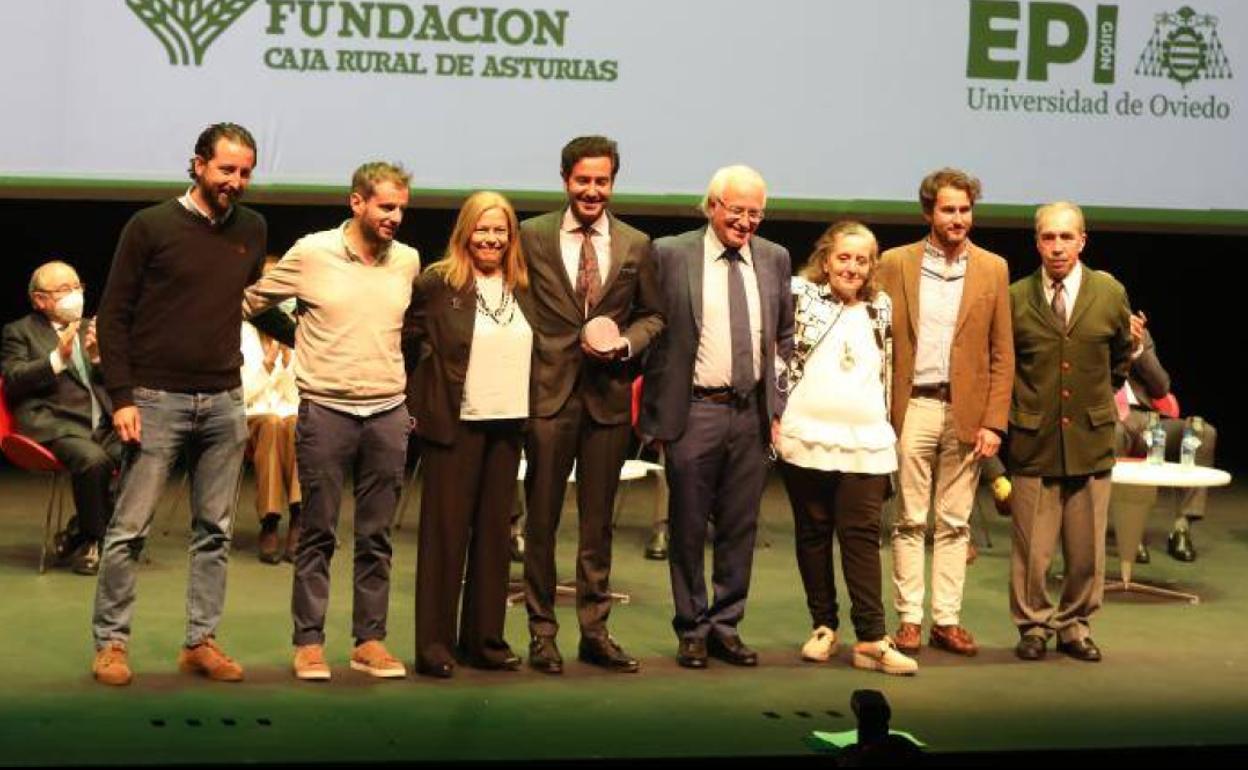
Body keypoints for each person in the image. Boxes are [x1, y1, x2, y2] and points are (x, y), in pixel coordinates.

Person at [92, 122, 288, 687]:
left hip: (225, 398)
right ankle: (111, 644)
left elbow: (247, 306)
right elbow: (115, 315)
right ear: (198, 164)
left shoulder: (252, 228)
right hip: (155, 399)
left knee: (215, 530)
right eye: (227, 169)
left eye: (246, 172)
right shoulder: (150, 226)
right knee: (129, 528)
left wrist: (315, 335)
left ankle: (199, 641)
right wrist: (122, 398)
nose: (236, 181)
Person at [242, 162, 420, 681]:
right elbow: (253, 303)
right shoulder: (313, 251)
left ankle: (369, 641)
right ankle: (310, 642)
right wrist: (301, 338)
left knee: (377, 535)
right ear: (357, 203)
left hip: (388, 411)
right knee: (317, 531)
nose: (395, 218)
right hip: (327, 410)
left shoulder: (407, 260)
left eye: (402, 209)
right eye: (386, 206)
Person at [519, 136, 664, 674]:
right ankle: (541, 632)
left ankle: (595, 631)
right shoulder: (531, 235)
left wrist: (626, 344)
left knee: (598, 523)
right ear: (565, 180)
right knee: (542, 520)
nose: (592, 191)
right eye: (583, 180)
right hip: (549, 395)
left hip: (606, 399)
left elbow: (654, 316)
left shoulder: (635, 243)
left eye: (602, 181)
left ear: (612, 184)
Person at [640, 165, 794, 669]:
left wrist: (777, 402)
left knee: (739, 526)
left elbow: (786, 336)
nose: (746, 222)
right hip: (695, 411)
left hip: (750, 413)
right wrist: (659, 410)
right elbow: (651, 329)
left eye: (755, 213)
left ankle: (726, 625)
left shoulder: (774, 259)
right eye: (737, 210)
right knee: (685, 526)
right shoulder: (670, 254)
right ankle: (692, 627)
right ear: (712, 207)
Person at [876, 168, 1013, 658]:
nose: (958, 219)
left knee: (956, 521)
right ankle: (909, 619)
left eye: (964, 210)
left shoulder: (993, 268)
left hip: (966, 409)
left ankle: (946, 620)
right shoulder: (895, 263)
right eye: (948, 209)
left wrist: (995, 421)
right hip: (912, 404)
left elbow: (1002, 352)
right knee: (910, 518)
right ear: (928, 213)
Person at [774, 222, 916, 676]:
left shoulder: (880, 306)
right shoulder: (798, 294)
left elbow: (887, 367)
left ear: (872, 266)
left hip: (866, 440)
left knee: (860, 536)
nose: (852, 268)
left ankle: (872, 639)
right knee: (814, 532)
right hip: (806, 434)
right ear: (825, 258)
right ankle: (823, 626)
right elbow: (776, 353)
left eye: (862, 260)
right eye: (844, 258)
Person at [405, 191, 535, 678]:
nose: (491, 238)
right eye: (482, 228)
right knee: (445, 539)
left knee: (495, 540)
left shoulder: (524, 284)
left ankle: (484, 640)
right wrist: (423, 403)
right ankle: (435, 645)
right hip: (455, 425)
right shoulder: (439, 283)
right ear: (465, 232)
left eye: (500, 230)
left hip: (508, 425)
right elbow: (408, 343)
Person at [1008, 201, 1132, 663]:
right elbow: (1006, 365)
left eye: (1066, 237)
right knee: (1031, 551)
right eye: (1048, 237)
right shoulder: (1017, 296)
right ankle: (1034, 625)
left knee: (1085, 549)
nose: (1057, 247)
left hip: (1090, 437)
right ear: (1037, 242)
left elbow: (1120, 356)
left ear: (1082, 241)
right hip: (1033, 437)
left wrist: (1099, 400)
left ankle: (1074, 625)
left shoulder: (1108, 291)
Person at [2, 261, 121, 576]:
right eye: (64, 290)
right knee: (94, 461)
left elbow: (117, 381)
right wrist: (57, 359)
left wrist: (97, 358)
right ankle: (92, 541)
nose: (75, 296)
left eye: (78, 288)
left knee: (146, 454)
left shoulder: (91, 328)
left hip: (102, 424)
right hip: (57, 424)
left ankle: (79, 529)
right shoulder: (20, 332)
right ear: (40, 300)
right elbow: (13, 379)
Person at [1115, 316, 1217, 563]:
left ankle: (1181, 528)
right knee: (1112, 436)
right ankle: (1128, 532)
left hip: (1147, 420)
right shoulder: (1084, 334)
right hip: (1109, 420)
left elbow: (1161, 387)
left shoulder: (1140, 335)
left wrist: (1138, 349)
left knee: (1201, 432)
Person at [239, 256, 301, 564]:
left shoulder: (300, 332)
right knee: (273, 423)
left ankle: (299, 519)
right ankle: (271, 520)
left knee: (294, 423)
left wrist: (289, 361)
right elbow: (242, 394)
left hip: (288, 417)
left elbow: (300, 394)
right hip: (250, 418)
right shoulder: (242, 331)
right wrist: (268, 362)